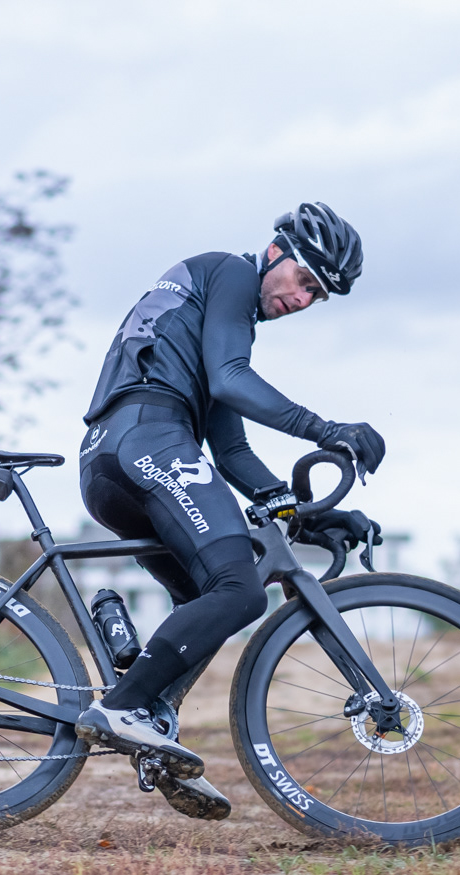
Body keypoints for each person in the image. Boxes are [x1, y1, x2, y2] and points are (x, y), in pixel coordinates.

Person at [74, 202, 385, 820]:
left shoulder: (216, 319)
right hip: (149, 439)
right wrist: (327, 430)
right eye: (305, 281)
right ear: (278, 251)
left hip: (120, 453)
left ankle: (144, 712)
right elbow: (230, 380)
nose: (303, 300)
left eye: (318, 297)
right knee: (241, 592)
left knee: (208, 603)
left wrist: (307, 516)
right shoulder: (229, 274)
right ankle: (120, 707)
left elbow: (234, 449)